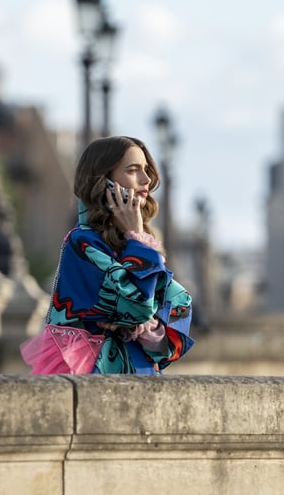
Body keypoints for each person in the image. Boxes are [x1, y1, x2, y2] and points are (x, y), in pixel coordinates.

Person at [21, 136, 194, 375]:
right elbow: (138, 307)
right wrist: (141, 313)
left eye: (146, 170)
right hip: (95, 379)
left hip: (141, 377)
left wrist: (134, 312)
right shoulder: (81, 243)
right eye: (133, 170)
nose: (146, 180)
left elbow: (180, 307)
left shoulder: (138, 244)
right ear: (105, 182)